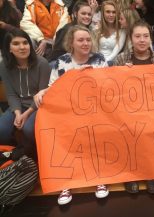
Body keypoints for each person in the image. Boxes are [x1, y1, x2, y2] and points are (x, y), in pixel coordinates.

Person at [34, 25, 109, 205]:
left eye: (88, 40)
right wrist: (42, 92)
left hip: (95, 111)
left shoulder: (99, 60)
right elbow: (54, 88)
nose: (85, 43)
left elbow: (109, 89)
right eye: (80, 40)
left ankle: (99, 178)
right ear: (71, 43)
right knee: (58, 133)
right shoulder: (62, 62)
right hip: (68, 112)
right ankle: (65, 182)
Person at [114, 20, 154, 194]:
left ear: (150, 38)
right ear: (131, 38)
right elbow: (113, 90)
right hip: (127, 110)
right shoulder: (121, 59)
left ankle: (151, 172)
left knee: (152, 129)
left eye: (145, 36)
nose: (142, 40)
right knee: (128, 130)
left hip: (152, 109)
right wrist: (122, 75)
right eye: (137, 36)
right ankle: (131, 174)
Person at [0, 29, 51, 161]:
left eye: (25, 42)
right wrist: (17, 113)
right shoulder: (4, 66)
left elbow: (43, 94)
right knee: (2, 129)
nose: (22, 47)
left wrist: (26, 114)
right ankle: (13, 156)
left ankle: (34, 158)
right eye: (16, 44)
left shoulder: (42, 64)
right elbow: (11, 94)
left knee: (29, 129)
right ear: (9, 48)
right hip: (18, 106)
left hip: (39, 106)